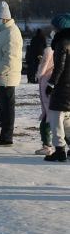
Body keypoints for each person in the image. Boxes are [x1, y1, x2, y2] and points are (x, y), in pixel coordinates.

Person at [0, 1, 23, 147]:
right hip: (1, 77)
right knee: (3, 107)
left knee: (7, 108)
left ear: (5, 18)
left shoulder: (12, 32)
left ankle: (7, 137)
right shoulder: (3, 31)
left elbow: (10, 58)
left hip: (6, 76)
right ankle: (4, 134)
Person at [44, 13, 70, 161]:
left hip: (63, 87)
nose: (52, 29)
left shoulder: (62, 43)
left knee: (56, 118)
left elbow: (59, 67)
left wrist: (51, 84)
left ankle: (59, 150)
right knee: (67, 119)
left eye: (54, 27)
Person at [36, 32, 55, 156]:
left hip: (48, 82)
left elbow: (42, 68)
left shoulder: (49, 50)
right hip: (60, 83)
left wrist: (38, 74)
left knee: (48, 116)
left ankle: (47, 145)